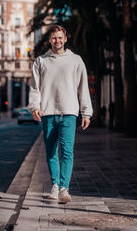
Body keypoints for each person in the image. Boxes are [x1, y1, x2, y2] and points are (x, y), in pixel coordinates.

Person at [28, 25, 93, 204]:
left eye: (60, 37)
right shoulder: (41, 61)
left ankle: (64, 189)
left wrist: (86, 113)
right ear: (49, 40)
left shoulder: (76, 60)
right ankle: (55, 185)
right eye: (53, 38)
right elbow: (35, 87)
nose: (57, 41)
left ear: (65, 39)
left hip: (69, 113)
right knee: (50, 152)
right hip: (48, 112)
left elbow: (83, 88)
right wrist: (34, 107)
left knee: (67, 152)